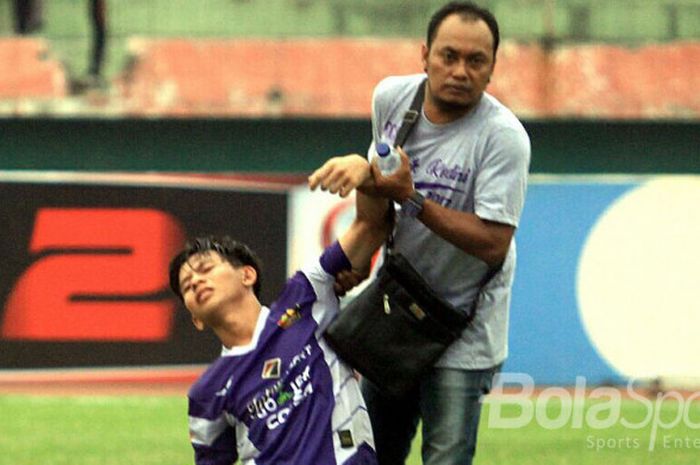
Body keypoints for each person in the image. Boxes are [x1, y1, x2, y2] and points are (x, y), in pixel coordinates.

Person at [327, 2, 531, 464]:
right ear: (425, 55)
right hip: (398, 314)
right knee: (373, 455)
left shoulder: (503, 138)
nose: (460, 70)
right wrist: (355, 265)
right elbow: (379, 205)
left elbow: (493, 242)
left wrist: (413, 198)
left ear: (493, 68)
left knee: (445, 459)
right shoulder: (392, 100)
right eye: (448, 56)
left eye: (476, 61)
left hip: (465, 326)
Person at [168, 155, 388, 465]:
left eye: (205, 269)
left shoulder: (305, 296)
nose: (196, 282)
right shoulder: (206, 393)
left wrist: (365, 173)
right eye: (187, 286)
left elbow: (372, 225)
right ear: (196, 320)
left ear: (247, 274)